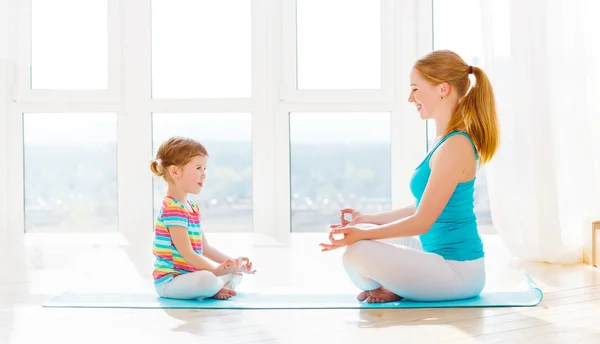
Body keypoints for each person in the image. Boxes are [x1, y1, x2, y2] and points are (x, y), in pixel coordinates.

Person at [320, 50, 500, 304]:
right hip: (433, 256)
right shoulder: (444, 140)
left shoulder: (455, 145)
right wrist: (369, 220)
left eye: (415, 89)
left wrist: (362, 236)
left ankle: (398, 285)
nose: (410, 98)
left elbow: (422, 222)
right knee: (365, 231)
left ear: (443, 89)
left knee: (357, 251)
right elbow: (426, 205)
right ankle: (399, 284)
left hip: (458, 271)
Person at [150, 136, 256, 300]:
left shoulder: (191, 208)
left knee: (236, 273)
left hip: (191, 277)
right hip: (171, 282)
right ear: (175, 171)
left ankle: (216, 288)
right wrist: (215, 271)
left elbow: (205, 248)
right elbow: (187, 253)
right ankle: (214, 288)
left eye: (205, 169)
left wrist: (233, 264)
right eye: (199, 168)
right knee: (207, 279)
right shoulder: (172, 209)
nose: (204, 175)